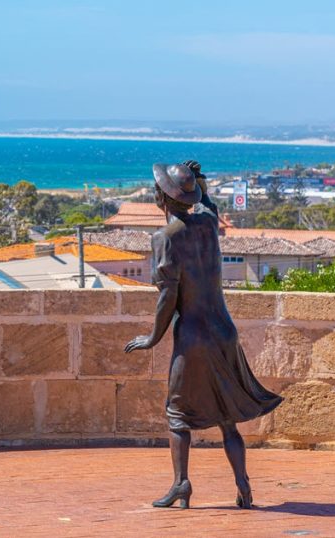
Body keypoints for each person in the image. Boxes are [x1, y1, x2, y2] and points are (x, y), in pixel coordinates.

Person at [124, 161, 283, 510]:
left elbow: (168, 297)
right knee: (226, 416)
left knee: (178, 415)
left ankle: (181, 483)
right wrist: (202, 184)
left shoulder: (165, 238)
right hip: (223, 331)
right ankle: (242, 483)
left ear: (160, 198)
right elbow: (209, 206)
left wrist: (153, 336)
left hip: (194, 336)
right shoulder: (209, 225)